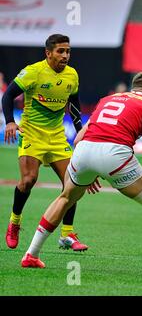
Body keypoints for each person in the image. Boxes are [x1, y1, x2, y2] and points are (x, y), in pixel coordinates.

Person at [20, 72, 142, 281]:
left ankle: (31, 254)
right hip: (115, 153)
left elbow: (78, 138)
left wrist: (91, 169)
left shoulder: (108, 99)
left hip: (84, 151)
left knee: (65, 197)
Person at [1, 34, 88, 251]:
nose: (65, 55)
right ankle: (14, 222)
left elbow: (75, 107)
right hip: (32, 134)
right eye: (60, 51)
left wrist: (81, 136)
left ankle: (67, 235)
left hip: (57, 136)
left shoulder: (72, 75)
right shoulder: (33, 71)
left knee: (73, 184)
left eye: (68, 51)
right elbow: (7, 96)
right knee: (29, 180)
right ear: (48, 53)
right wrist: (10, 122)